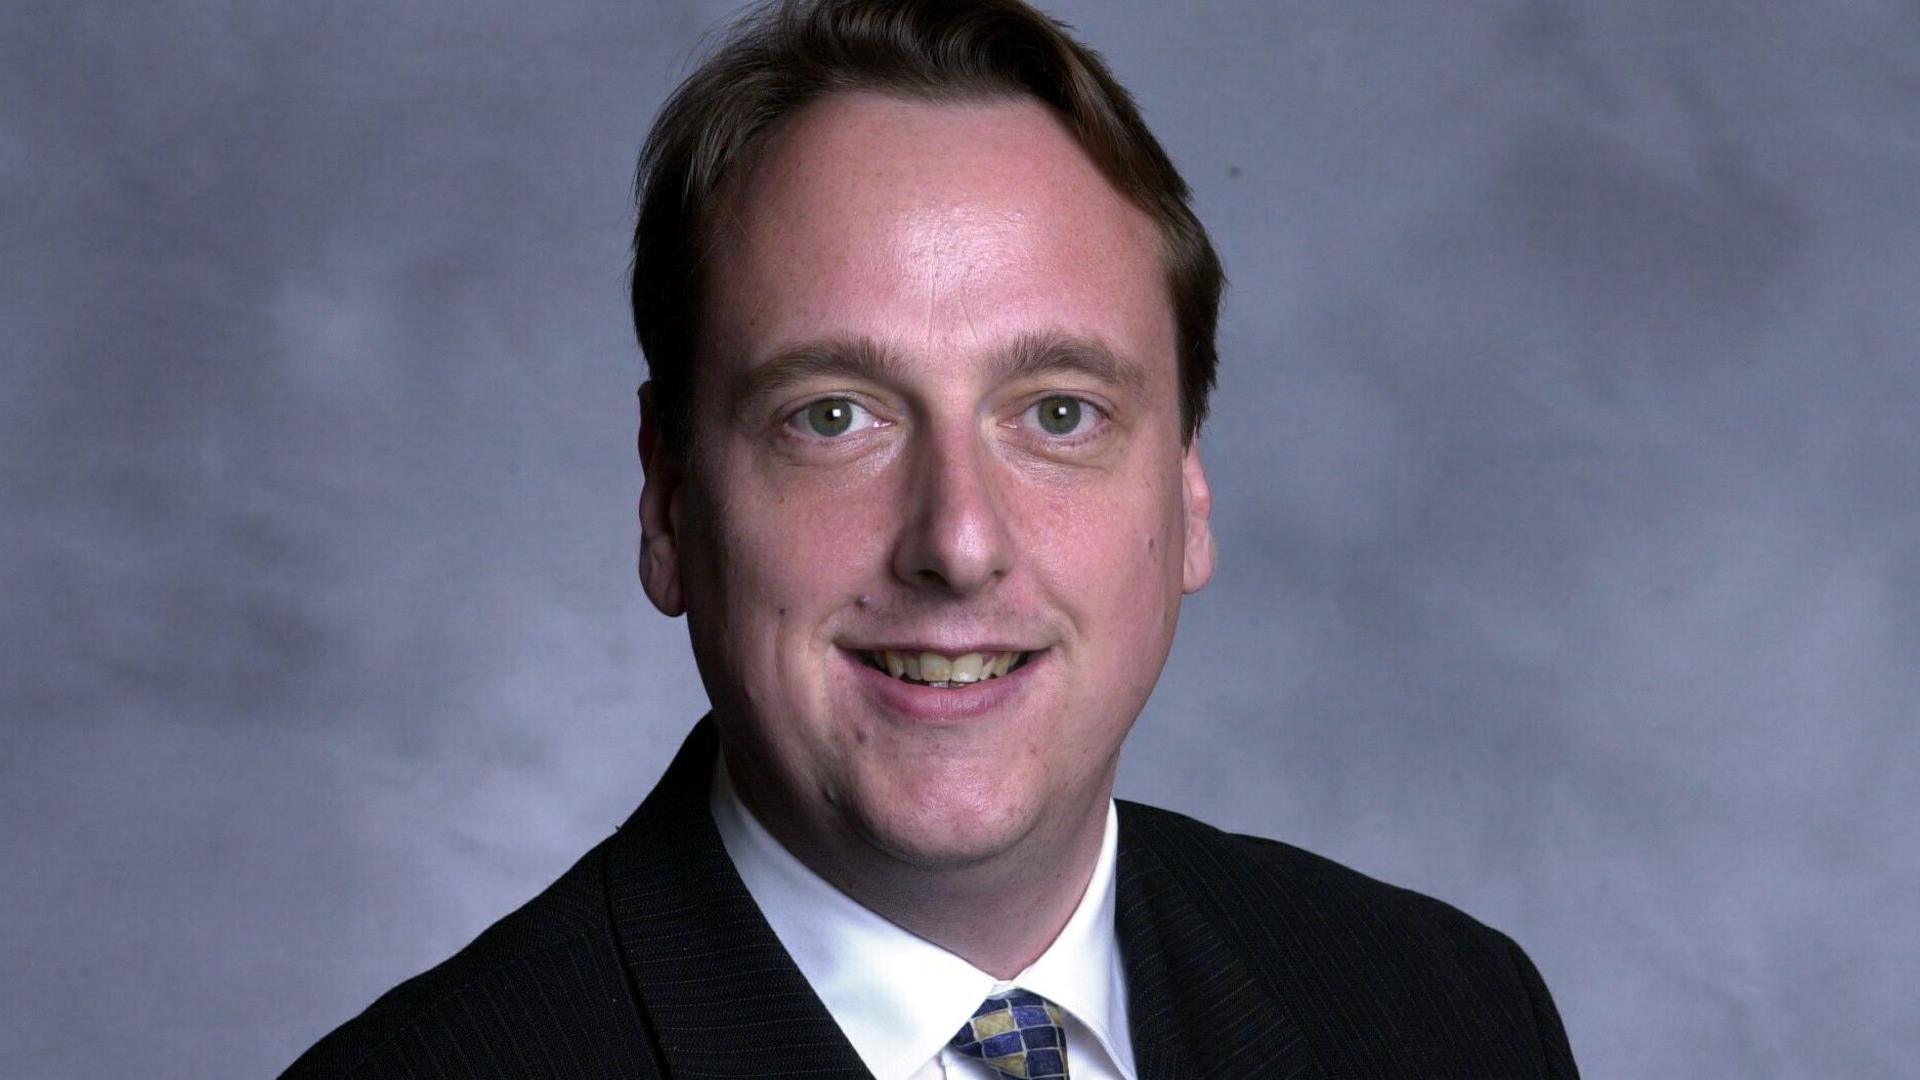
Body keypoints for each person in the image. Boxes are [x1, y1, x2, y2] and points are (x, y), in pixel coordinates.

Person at [286, 1, 1578, 1076]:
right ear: (668, 501)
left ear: (1189, 490)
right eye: (834, 415)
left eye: (1059, 413)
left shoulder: (1452, 1023)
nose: (958, 540)